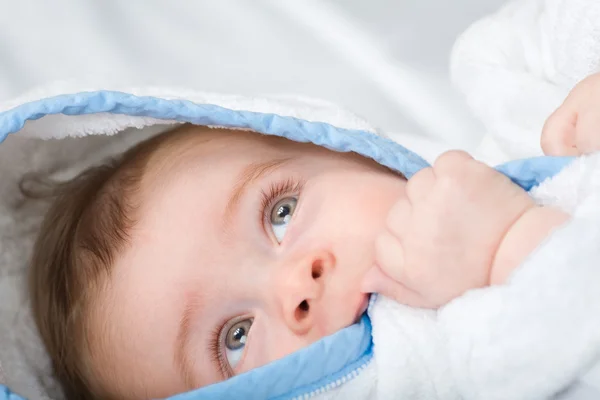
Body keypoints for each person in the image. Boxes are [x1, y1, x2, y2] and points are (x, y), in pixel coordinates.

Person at [28, 72, 600, 400]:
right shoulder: (448, 372)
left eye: (281, 213)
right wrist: (511, 246)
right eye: (235, 336)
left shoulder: (521, 109)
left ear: (351, 148)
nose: (296, 285)